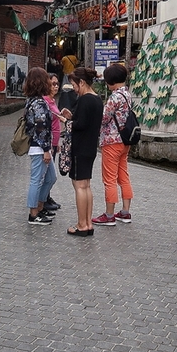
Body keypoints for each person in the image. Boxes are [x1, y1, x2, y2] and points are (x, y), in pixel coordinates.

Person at [61, 67, 103, 236]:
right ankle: (88, 223)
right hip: (90, 147)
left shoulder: (85, 100)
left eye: (74, 85)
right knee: (86, 186)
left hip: (80, 147)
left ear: (82, 82)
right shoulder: (97, 99)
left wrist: (66, 121)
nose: (74, 89)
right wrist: (72, 117)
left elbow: (80, 125)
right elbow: (88, 122)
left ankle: (81, 224)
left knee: (79, 186)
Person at [91, 63, 135, 227]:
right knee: (123, 176)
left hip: (111, 141)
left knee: (109, 179)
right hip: (125, 140)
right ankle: (125, 212)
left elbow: (103, 118)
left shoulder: (115, 97)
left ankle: (109, 214)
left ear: (110, 80)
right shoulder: (127, 94)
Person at [23, 67, 57, 225]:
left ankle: (40, 206)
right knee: (37, 180)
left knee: (50, 178)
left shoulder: (32, 100)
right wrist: (46, 150)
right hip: (39, 147)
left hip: (40, 146)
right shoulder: (39, 103)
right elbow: (41, 128)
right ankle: (33, 213)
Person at [44, 73, 66, 212]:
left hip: (54, 141)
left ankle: (47, 197)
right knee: (47, 174)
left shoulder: (52, 100)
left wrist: (57, 143)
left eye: (57, 84)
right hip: (49, 142)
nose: (56, 86)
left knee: (49, 173)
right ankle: (44, 199)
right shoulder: (45, 101)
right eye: (53, 84)